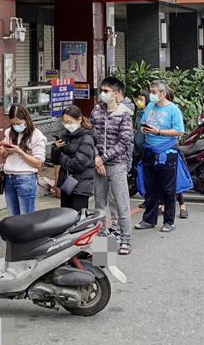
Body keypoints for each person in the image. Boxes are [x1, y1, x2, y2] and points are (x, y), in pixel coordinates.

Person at [89, 77, 134, 254]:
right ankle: (102, 246)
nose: (103, 93)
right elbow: (90, 137)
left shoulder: (124, 114)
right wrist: (96, 158)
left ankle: (125, 240)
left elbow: (125, 142)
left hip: (116, 165)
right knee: (100, 205)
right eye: (102, 90)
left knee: (121, 204)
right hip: (98, 165)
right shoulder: (95, 113)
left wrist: (103, 158)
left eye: (106, 91)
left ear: (117, 93)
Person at [134, 80, 185, 233]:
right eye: (151, 91)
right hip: (150, 151)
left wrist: (159, 132)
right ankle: (149, 219)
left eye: (154, 92)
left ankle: (169, 222)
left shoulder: (174, 110)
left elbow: (179, 131)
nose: (151, 95)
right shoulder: (150, 106)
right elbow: (143, 123)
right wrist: (144, 129)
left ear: (163, 94)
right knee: (150, 188)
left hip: (167, 153)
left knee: (168, 189)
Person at [0, 104, 46, 216]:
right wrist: (6, 150)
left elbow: (38, 163)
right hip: (9, 177)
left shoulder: (36, 135)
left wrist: (19, 152)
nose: (16, 126)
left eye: (19, 123)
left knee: (26, 217)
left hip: (26, 178)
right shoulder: (9, 132)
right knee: (12, 217)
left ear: (26, 119)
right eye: (13, 123)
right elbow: (3, 156)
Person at [50, 106, 96, 213]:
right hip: (66, 183)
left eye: (70, 122)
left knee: (78, 217)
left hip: (81, 185)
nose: (67, 125)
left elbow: (78, 163)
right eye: (65, 122)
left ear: (79, 120)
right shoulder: (65, 135)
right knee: (65, 217)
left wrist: (62, 157)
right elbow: (55, 161)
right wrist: (56, 148)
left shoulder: (87, 138)